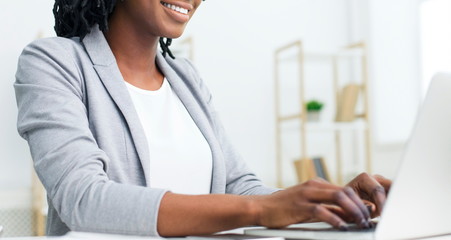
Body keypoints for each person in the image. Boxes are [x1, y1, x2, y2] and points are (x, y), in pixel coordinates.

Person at [14, 0, 391, 237]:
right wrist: (260, 210)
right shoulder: (54, 62)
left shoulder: (186, 79)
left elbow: (240, 185)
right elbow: (83, 199)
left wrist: (329, 203)